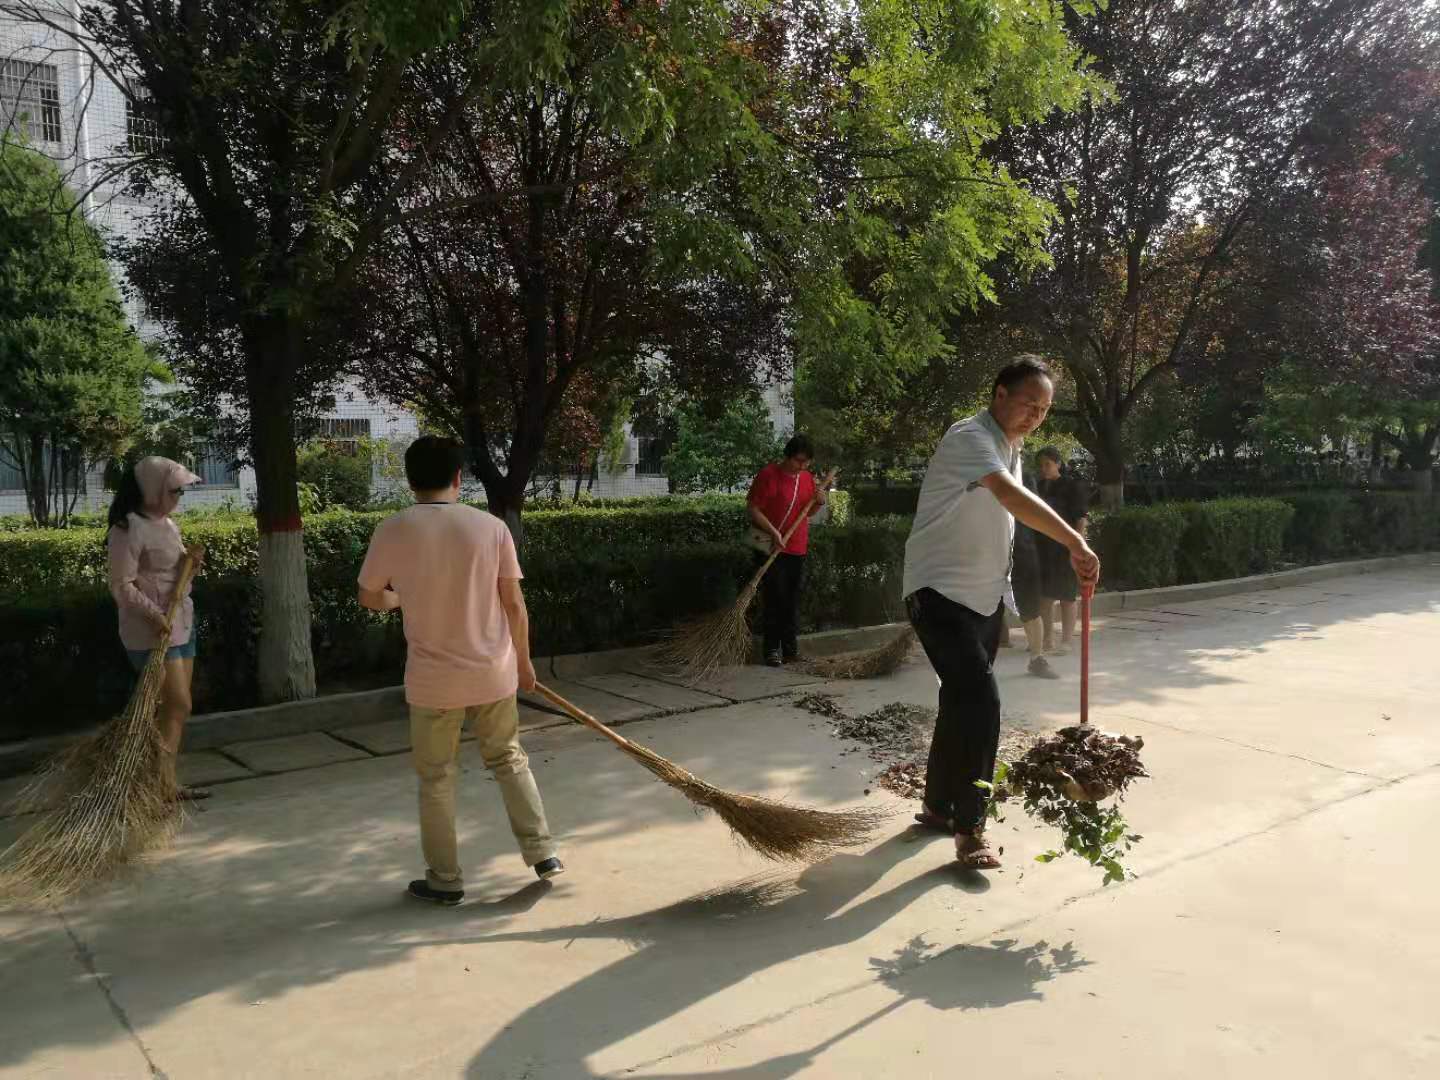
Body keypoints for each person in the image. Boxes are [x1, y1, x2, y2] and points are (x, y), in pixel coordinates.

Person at [903, 357, 1100, 870]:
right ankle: (970, 828)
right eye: (1029, 403)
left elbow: (1009, 514)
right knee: (983, 702)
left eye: (1044, 409)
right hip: (937, 591)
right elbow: (1011, 497)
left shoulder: (1012, 449)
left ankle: (938, 806)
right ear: (999, 394)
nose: (1036, 415)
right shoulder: (970, 437)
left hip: (985, 597)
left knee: (959, 701)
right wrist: (1074, 540)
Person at [358, 436, 562, 905]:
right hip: (493, 672)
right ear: (458, 477)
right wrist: (524, 663)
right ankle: (542, 852)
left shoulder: (393, 529)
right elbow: (514, 605)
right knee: (509, 759)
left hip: (433, 682)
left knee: (436, 778)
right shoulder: (491, 528)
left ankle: (445, 880)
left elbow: (369, 596)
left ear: (410, 480)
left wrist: (400, 598)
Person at [106, 456, 208, 800]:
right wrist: (154, 616)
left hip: (180, 624)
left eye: (181, 491)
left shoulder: (167, 524)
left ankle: (164, 784)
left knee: (177, 708)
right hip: (151, 630)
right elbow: (121, 585)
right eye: (174, 490)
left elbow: (172, 576)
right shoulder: (127, 528)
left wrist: (191, 565)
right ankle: (153, 785)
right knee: (176, 704)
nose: (179, 496)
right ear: (152, 489)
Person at [746, 434, 828, 667]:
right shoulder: (768, 475)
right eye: (798, 461)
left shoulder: (807, 478)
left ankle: (791, 650)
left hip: (796, 546)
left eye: (806, 462)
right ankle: (772, 650)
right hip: (770, 545)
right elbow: (753, 509)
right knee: (774, 597)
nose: (802, 466)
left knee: (791, 599)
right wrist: (774, 532)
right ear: (787, 456)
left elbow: (807, 513)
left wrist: (819, 502)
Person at [1034, 446, 1091, 655]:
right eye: (1041, 465)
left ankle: (1066, 641)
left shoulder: (1071, 486)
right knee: (1045, 597)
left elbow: (1081, 518)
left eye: (1047, 464)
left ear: (1058, 463)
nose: (1044, 469)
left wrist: (1076, 545)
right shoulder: (1039, 486)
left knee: (1067, 596)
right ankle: (1046, 639)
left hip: (1065, 547)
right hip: (1043, 548)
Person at [1009, 497, 1060, 680]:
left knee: (1030, 609)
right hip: (991, 554)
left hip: (1022, 553)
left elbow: (1037, 512)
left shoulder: (1025, 485)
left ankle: (1037, 659)